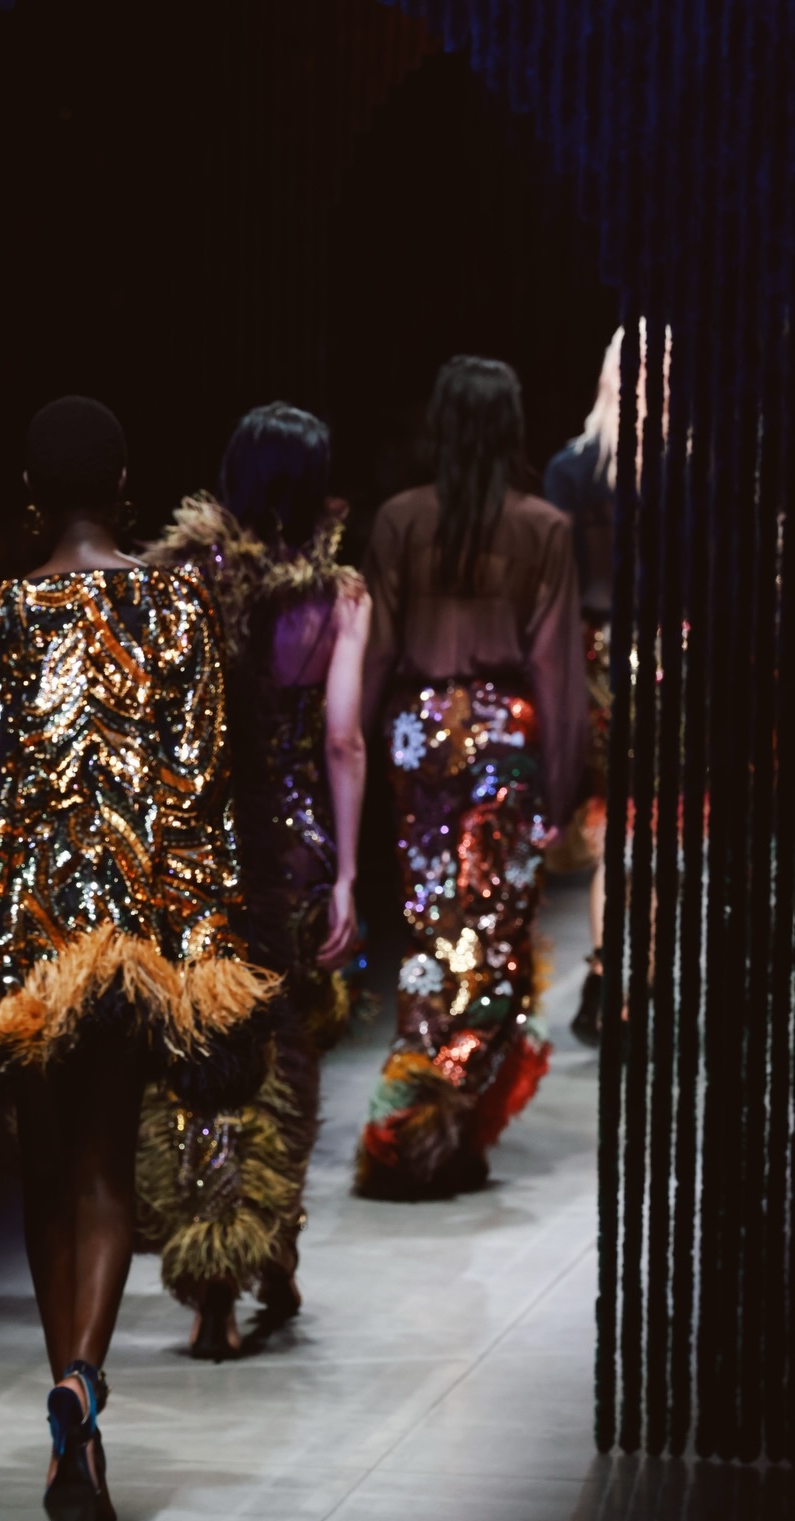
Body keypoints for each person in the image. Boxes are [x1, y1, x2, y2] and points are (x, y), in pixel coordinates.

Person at [0, 397, 274, 1521]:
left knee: (45, 1172)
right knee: (104, 1171)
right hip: (133, 937)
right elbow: (201, 790)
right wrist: (208, 948)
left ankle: (74, 1422)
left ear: (30, 500)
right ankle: (83, 1388)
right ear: (128, 488)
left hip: (25, 937)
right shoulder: (177, 606)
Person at [136, 404, 369, 1358]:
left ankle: (213, 1282)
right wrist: (349, 873)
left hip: (203, 848)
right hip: (295, 850)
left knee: (199, 1051)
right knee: (289, 1054)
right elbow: (343, 740)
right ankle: (273, 1245)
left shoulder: (178, 583)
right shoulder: (340, 599)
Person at [356, 357, 586, 1200]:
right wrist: (560, 790)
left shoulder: (399, 520)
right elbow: (556, 669)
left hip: (416, 742)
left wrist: (351, 756)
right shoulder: (542, 528)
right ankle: (439, 1128)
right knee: (492, 946)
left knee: (431, 935)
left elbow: (378, 653)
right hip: (504, 745)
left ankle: (412, 1123)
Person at [543, 326, 620, 1046]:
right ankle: (614, 977)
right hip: (623, 658)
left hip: (610, 655)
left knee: (626, 833)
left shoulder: (573, 468)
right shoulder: (577, 469)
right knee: (628, 834)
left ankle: (612, 977)